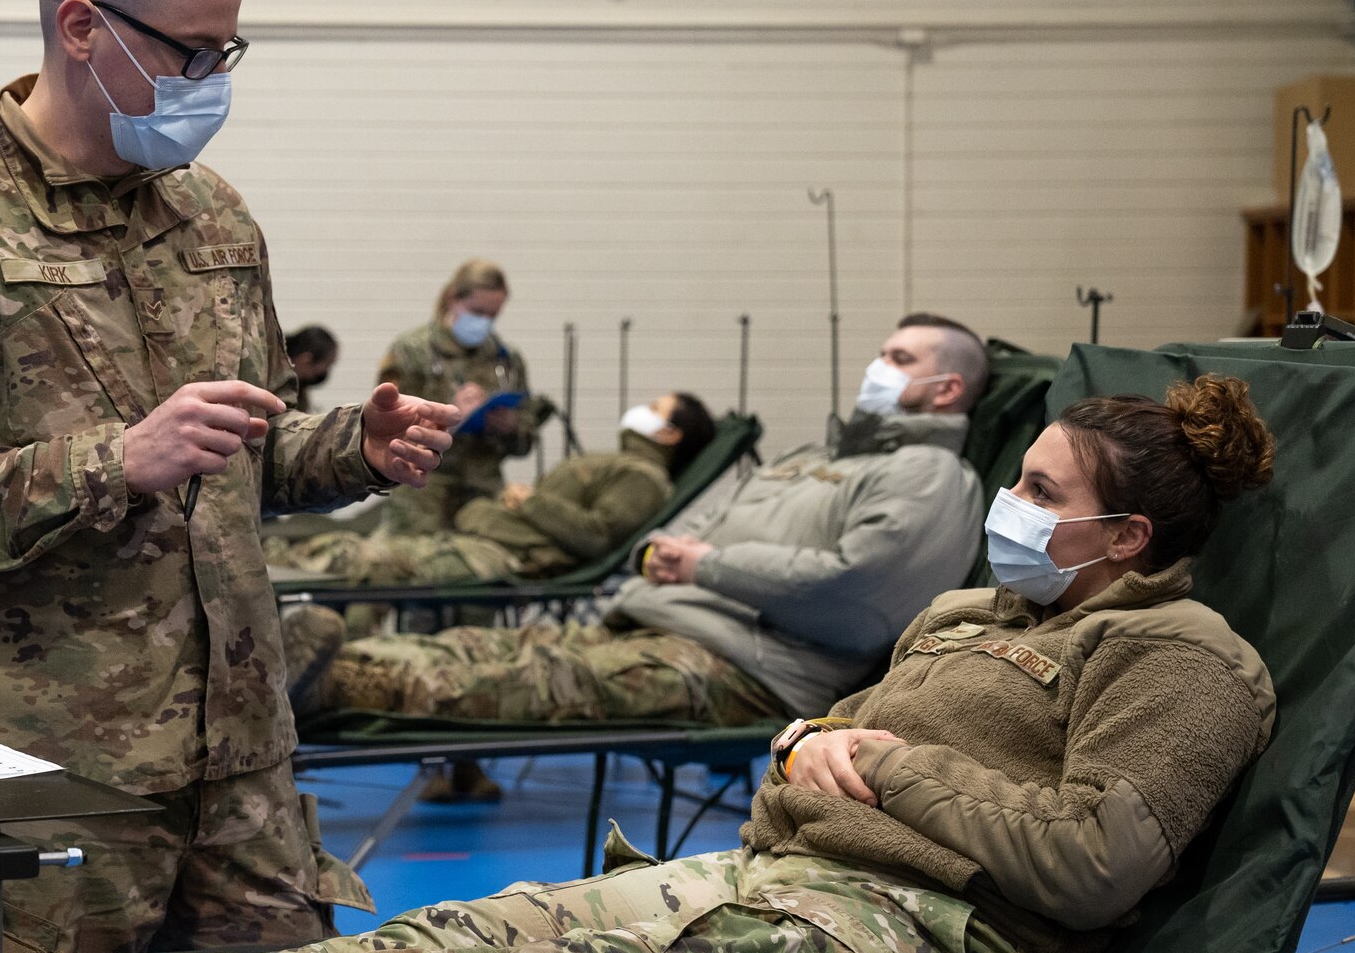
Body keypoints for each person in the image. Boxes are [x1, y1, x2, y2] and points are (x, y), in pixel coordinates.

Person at [0, 373, 1279, 953]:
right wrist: (803, 756)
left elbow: (1095, 860)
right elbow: (830, 728)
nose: (1010, 508)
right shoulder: (978, 617)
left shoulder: (1179, 653)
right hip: (783, 879)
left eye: (1038, 488)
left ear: (1126, 536)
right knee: (456, 933)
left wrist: (887, 766)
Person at [0, 0, 457, 953]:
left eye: (226, 55)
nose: (211, 84)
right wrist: (113, 462)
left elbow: (241, 448)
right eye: (192, 54)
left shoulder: (213, 215)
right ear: (82, 28)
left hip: (239, 760)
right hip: (46, 775)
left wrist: (354, 447)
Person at [286, 315, 990, 730]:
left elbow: (857, 595)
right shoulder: (816, 455)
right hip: (660, 618)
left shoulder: (930, 479)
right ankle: (292, 668)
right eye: (882, 353)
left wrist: (704, 563)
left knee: (536, 677)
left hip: (745, 664)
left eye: (899, 360)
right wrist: (679, 556)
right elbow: (698, 528)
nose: (878, 367)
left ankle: (316, 684)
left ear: (948, 386)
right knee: (488, 645)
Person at [265, 392, 716, 589]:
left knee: (353, 559)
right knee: (346, 550)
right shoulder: (623, 463)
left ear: (671, 433)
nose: (643, 409)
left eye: (656, 408)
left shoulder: (643, 478)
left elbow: (597, 536)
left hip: (508, 556)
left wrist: (529, 501)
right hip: (485, 540)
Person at [377, 259, 543, 534]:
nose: (483, 322)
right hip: (423, 497)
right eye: (477, 312)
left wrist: (511, 427)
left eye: (492, 316)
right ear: (454, 299)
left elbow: (525, 442)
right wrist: (448, 418)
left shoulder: (507, 360)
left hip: (483, 500)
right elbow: (385, 431)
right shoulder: (412, 351)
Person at [284, 325, 338, 412]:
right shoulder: (275, 386)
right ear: (306, 360)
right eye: (326, 365)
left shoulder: (299, 389)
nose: (324, 372)